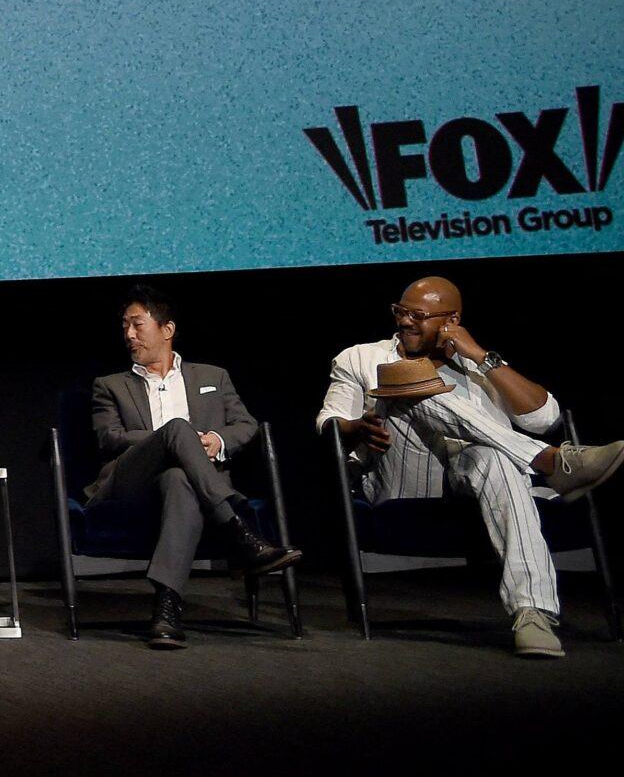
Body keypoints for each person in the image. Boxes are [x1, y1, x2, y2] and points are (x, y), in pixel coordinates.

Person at [318, 274, 622, 658]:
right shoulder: (361, 356)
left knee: (494, 456)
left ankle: (533, 614)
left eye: (418, 315)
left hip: (481, 481)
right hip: (402, 479)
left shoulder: (478, 364)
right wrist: (356, 426)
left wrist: (480, 355)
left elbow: (545, 419)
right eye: (400, 311)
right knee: (403, 382)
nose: (405, 321)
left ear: (452, 321)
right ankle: (549, 461)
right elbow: (327, 422)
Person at [87, 284, 300, 649]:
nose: (129, 334)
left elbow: (246, 426)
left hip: (187, 487)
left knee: (178, 479)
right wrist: (172, 438)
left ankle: (167, 609)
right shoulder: (110, 385)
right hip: (129, 483)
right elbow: (110, 438)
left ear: (167, 330)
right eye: (125, 327)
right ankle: (238, 530)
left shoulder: (212, 377)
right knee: (177, 431)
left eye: (137, 325)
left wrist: (216, 441)